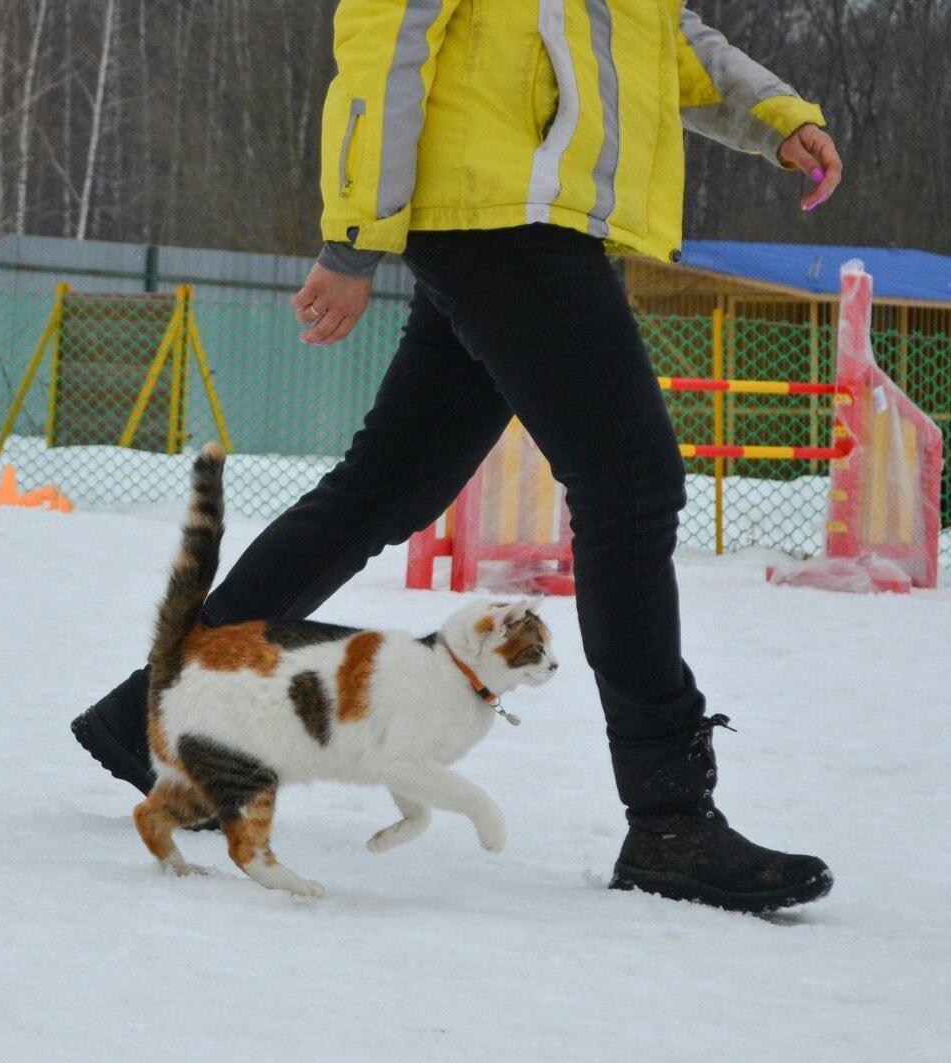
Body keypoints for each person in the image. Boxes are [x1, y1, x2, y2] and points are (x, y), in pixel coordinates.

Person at [73, 1, 843, 913]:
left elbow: (663, 36)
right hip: (500, 217)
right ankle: (671, 818)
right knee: (629, 484)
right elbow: (385, 48)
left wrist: (775, 114)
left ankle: (152, 719)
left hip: (529, 214)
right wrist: (353, 238)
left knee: (385, 487)